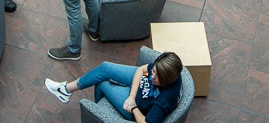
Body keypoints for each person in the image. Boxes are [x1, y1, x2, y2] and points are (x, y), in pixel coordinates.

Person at [45, 51, 183, 123]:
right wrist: (131, 95)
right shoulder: (165, 68)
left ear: (166, 81)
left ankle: (99, 115)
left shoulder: (164, 100)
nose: (152, 76)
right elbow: (141, 70)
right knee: (105, 67)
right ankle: (65, 90)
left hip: (137, 107)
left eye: (156, 77)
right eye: (153, 72)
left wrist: (133, 105)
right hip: (136, 92)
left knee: (101, 84)